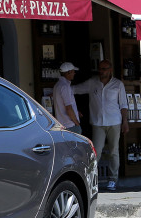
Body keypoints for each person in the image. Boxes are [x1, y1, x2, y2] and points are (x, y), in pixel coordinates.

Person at [73, 59, 129, 191]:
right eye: (100, 68)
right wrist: (59, 90)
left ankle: (113, 180)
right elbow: (75, 89)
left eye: (104, 69)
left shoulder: (118, 84)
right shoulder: (92, 83)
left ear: (110, 70)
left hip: (114, 122)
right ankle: (93, 180)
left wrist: (125, 121)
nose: (101, 71)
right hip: (98, 122)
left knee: (114, 152)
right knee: (95, 152)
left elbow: (124, 104)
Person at [53, 62, 81, 134]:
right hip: (70, 125)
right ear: (69, 72)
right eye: (73, 71)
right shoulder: (65, 86)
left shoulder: (57, 85)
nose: (74, 73)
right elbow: (68, 107)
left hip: (61, 123)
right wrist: (76, 123)